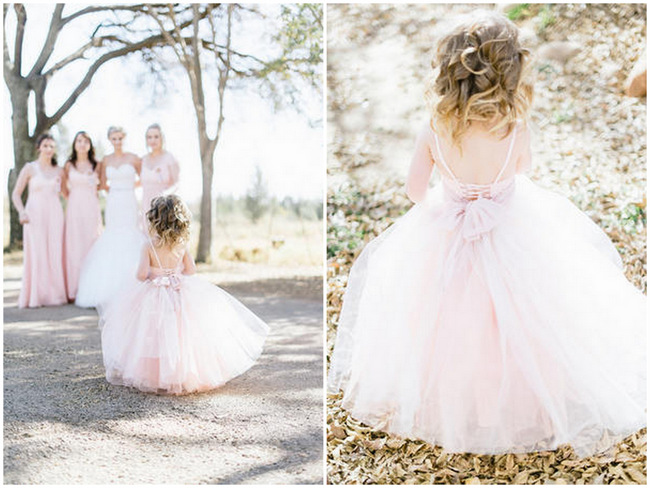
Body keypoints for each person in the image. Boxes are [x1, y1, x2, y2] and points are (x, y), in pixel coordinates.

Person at [327, 10, 645, 457]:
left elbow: (415, 192)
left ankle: (458, 404)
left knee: (447, 323)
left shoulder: (435, 127)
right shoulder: (514, 126)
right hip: (512, 226)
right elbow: (523, 169)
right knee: (526, 317)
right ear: (510, 73)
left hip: (447, 227)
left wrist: (453, 196)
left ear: (448, 72)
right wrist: (488, 190)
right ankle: (527, 402)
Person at [99, 195, 269, 395]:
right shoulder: (181, 244)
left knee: (154, 332)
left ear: (155, 220)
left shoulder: (149, 246)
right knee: (180, 332)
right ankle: (179, 372)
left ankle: (155, 374)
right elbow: (190, 270)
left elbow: (141, 274)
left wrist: (156, 274)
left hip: (154, 295)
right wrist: (174, 274)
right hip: (179, 292)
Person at [75, 126, 145, 308]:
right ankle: (106, 289)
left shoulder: (134, 158)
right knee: (112, 235)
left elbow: (143, 178)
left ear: (124, 138)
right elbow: (102, 184)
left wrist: (128, 185)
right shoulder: (105, 160)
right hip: (114, 200)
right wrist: (116, 189)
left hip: (129, 198)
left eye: (120, 138)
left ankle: (133, 286)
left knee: (130, 234)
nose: (117, 142)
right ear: (110, 140)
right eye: (114, 139)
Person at [11, 133, 67, 308]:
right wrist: (21, 212)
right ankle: (36, 296)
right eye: (45, 146)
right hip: (34, 214)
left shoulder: (59, 170)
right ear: (39, 148)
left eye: (51, 146)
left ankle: (55, 296)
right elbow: (16, 194)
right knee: (37, 253)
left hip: (55, 214)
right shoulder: (29, 168)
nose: (49, 149)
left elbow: (66, 193)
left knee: (54, 252)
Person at [62, 131, 102, 301]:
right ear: (74, 144)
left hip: (91, 208)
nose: (82, 144)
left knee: (92, 246)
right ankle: (73, 290)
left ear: (90, 145)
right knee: (74, 247)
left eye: (86, 141)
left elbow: (100, 187)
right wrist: (74, 198)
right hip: (74, 208)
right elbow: (63, 188)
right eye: (79, 141)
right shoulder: (69, 165)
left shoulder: (97, 165)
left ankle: (91, 289)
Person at [140, 123, 180, 215]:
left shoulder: (170, 158)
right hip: (146, 204)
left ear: (162, 138)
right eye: (149, 137)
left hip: (163, 204)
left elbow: (176, 183)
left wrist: (164, 196)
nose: (152, 140)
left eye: (156, 137)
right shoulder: (143, 159)